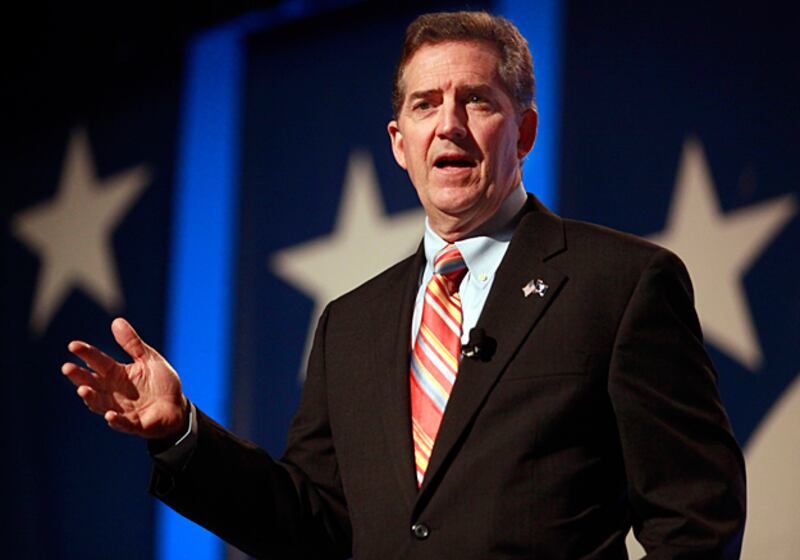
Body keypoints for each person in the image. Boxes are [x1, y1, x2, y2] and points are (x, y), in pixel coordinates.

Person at [63, 11, 746, 559]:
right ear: (399, 142)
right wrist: (182, 433)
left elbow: (695, 518)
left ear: (525, 130)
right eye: (425, 105)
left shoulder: (620, 283)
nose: (449, 124)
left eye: (476, 101)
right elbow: (311, 527)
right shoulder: (350, 324)